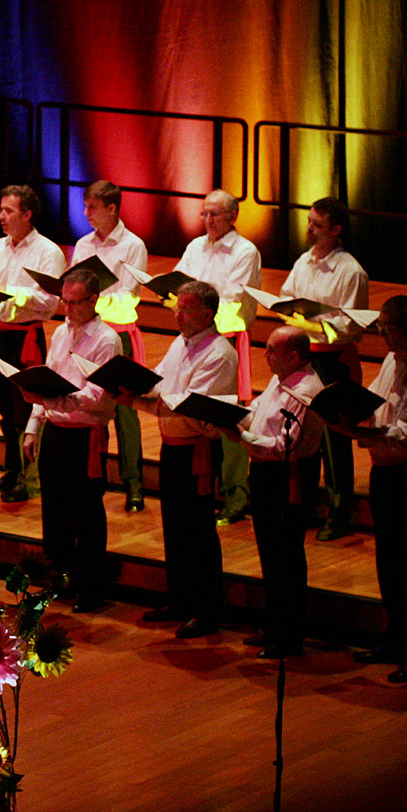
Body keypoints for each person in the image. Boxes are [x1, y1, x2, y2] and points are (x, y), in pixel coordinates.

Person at [333, 295, 407, 682]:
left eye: (388, 328)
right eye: (380, 327)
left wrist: (360, 432)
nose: (382, 335)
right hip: (386, 471)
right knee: (389, 562)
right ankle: (396, 639)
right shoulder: (390, 360)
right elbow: (382, 409)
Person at [119, 281, 239, 638]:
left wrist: (141, 402)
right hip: (173, 447)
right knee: (174, 527)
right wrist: (136, 389)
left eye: (185, 310)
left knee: (198, 531)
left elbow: (187, 403)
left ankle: (206, 610)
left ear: (207, 313)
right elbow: (162, 386)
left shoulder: (219, 352)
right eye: (177, 308)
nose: (177, 315)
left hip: (197, 451)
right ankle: (180, 599)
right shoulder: (180, 343)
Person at [20, 268, 121, 612]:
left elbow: (95, 397)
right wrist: (35, 425)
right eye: (65, 301)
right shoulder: (61, 332)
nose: (68, 310)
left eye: (76, 303)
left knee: (87, 516)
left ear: (95, 300)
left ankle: (92, 589)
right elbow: (50, 378)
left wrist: (51, 401)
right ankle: (56, 582)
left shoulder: (107, 339)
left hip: (85, 437)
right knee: (55, 514)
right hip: (56, 432)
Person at [277, 196, 369, 541]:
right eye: (309, 222)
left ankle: (340, 509)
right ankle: (306, 504)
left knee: (335, 438)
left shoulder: (351, 271)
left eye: (317, 224)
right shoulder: (305, 261)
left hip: (333, 359)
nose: (310, 229)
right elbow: (287, 297)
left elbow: (353, 326)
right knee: (302, 432)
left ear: (336, 229)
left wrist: (315, 323)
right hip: (304, 356)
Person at [235, 326, 325, 658]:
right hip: (264, 473)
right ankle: (274, 625)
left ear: (294, 356)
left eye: (272, 349)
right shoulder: (280, 380)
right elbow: (256, 415)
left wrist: (241, 438)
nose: (264, 354)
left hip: (288, 477)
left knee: (286, 555)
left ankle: (289, 635)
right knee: (269, 553)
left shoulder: (307, 391)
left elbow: (285, 445)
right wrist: (230, 417)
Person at [175, 189, 264, 525]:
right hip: (195, 339)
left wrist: (199, 311)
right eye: (205, 214)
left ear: (232, 217)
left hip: (227, 340)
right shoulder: (195, 247)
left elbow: (231, 301)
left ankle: (235, 495)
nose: (209, 221)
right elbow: (180, 283)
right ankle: (204, 489)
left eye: (215, 215)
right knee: (197, 413)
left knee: (228, 419)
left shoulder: (245, 252)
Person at [0, 184, 65, 502]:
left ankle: (30, 478)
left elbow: (49, 302)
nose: (1, 215)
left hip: (25, 337)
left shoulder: (47, 251)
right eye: (1, 209)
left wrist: (13, 295)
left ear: (27, 215)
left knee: (25, 409)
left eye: (8, 210)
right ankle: (12, 471)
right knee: (3, 408)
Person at [70, 180, 149, 512]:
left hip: (117, 336)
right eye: (85, 206)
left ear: (112, 208)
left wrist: (93, 301)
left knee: (125, 412)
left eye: (92, 207)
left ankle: (134, 484)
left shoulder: (133, 245)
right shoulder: (83, 244)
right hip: (85, 335)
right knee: (83, 406)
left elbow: (128, 297)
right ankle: (87, 478)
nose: (86, 213)